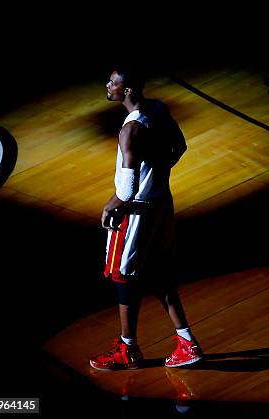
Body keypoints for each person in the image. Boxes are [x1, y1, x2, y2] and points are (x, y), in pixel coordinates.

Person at [89, 66, 203, 370]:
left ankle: (128, 348)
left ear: (127, 91)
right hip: (161, 204)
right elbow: (179, 146)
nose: (107, 86)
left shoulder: (131, 130)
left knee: (122, 275)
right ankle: (186, 342)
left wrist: (110, 205)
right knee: (160, 272)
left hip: (137, 213)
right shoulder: (158, 109)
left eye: (112, 83)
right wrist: (156, 173)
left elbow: (127, 188)